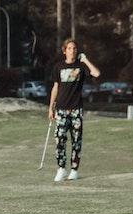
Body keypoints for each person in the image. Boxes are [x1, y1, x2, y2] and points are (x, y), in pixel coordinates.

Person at [48, 39, 100, 182]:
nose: (72, 50)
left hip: (76, 110)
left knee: (76, 141)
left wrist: (86, 60)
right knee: (60, 140)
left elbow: (96, 74)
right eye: (70, 48)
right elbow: (55, 87)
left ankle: (74, 170)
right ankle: (61, 169)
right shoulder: (58, 67)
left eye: (74, 48)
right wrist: (51, 107)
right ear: (65, 51)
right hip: (61, 110)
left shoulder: (81, 67)